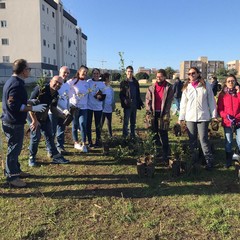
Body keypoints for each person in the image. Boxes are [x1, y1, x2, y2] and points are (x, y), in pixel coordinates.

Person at [1, 59, 47, 187]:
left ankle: (16, 171)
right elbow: (13, 105)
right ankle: (12, 177)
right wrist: (32, 109)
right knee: (14, 149)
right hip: (13, 122)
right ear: (23, 71)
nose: (29, 71)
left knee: (16, 148)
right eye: (28, 68)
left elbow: (17, 100)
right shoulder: (16, 84)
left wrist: (29, 101)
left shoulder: (15, 82)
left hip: (13, 120)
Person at [179, 67, 217, 170]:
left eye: (193, 73)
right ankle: (194, 162)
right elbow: (183, 104)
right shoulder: (186, 87)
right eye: (189, 74)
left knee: (204, 140)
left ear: (198, 74)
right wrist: (181, 117)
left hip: (203, 117)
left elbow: (211, 101)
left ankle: (209, 162)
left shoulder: (206, 85)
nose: (191, 75)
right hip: (190, 117)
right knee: (192, 140)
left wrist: (214, 115)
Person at [28, 75, 70, 167]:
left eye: (60, 83)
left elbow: (53, 108)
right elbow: (30, 104)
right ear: (51, 81)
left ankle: (55, 156)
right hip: (32, 115)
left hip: (44, 116)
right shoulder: (40, 89)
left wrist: (62, 115)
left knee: (49, 136)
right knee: (36, 137)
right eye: (56, 82)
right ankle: (32, 158)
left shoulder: (55, 93)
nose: (57, 84)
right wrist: (34, 121)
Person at [145, 69, 174, 162]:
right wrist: (149, 112)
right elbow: (148, 100)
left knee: (163, 133)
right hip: (153, 113)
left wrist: (166, 113)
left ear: (164, 77)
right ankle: (157, 151)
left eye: (160, 76)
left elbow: (169, 101)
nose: (158, 78)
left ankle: (166, 153)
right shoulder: (151, 88)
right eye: (157, 76)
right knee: (154, 133)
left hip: (163, 113)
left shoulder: (169, 87)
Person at [217, 74, 240, 168]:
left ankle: (237, 156)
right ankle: (228, 159)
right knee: (228, 141)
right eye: (229, 81)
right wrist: (226, 116)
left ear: (235, 82)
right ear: (226, 83)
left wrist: (239, 92)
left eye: (232, 81)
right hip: (227, 122)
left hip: (238, 121)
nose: (231, 83)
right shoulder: (222, 95)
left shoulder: (238, 93)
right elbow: (220, 109)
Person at [48, 66, 70, 155]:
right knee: (52, 131)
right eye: (64, 72)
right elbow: (53, 100)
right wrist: (63, 110)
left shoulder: (67, 85)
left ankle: (60, 147)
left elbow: (67, 98)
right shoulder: (55, 83)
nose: (66, 74)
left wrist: (67, 109)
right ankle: (50, 149)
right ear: (60, 72)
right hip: (53, 111)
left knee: (61, 130)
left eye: (68, 73)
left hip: (64, 112)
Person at [68, 65, 89, 152]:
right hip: (74, 107)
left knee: (83, 124)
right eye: (83, 71)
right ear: (79, 71)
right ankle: (76, 142)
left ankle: (84, 143)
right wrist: (71, 98)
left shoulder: (87, 83)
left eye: (86, 72)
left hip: (84, 108)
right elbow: (65, 87)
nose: (85, 73)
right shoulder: (73, 81)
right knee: (75, 125)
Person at [119, 66, 144, 137]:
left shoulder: (135, 82)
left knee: (133, 121)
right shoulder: (124, 83)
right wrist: (125, 101)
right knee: (126, 122)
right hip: (128, 105)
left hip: (134, 105)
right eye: (128, 71)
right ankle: (125, 135)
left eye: (131, 71)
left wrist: (141, 103)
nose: (130, 73)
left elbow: (138, 94)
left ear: (133, 72)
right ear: (126, 72)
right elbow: (121, 95)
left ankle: (132, 135)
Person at [87, 68, 106, 147]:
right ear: (92, 74)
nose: (96, 75)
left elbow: (104, 95)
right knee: (88, 124)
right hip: (89, 106)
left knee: (98, 125)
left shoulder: (102, 84)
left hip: (98, 107)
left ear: (99, 74)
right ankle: (90, 141)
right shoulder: (89, 82)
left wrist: (100, 96)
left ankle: (98, 141)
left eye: (97, 73)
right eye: (94, 73)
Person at [101, 72, 115, 137]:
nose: (110, 79)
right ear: (106, 78)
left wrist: (113, 105)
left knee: (109, 123)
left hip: (109, 108)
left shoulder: (110, 88)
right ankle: (99, 137)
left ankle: (110, 136)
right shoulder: (102, 87)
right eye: (109, 78)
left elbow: (112, 97)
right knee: (101, 123)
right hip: (102, 108)